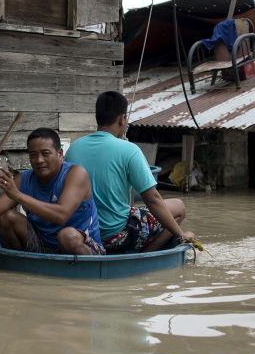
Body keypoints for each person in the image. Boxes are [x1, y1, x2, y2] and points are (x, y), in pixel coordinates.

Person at [65, 91, 194, 254]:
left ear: (97, 117)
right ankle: (146, 255)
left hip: (86, 233)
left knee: (131, 209)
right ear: (122, 118)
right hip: (115, 236)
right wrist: (182, 236)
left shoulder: (74, 148)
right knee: (179, 207)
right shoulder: (129, 150)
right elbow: (152, 199)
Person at [0, 127, 104, 255]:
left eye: (45, 153)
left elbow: (61, 216)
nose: (39, 160)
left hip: (83, 248)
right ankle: (21, 272)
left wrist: (18, 196)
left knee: (67, 236)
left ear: (60, 154)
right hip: (43, 245)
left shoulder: (76, 174)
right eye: (33, 155)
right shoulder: (23, 179)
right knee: (6, 218)